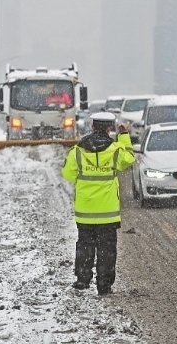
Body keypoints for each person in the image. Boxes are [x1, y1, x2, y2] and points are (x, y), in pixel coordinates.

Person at [61, 112, 135, 295]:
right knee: (107, 250)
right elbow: (129, 159)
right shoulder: (116, 150)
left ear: (92, 127)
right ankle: (104, 285)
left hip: (85, 211)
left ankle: (83, 280)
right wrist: (124, 136)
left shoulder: (77, 151)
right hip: (107, 212)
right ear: (110, 128)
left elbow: (68, 174)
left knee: (85, 245)